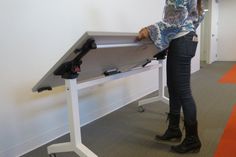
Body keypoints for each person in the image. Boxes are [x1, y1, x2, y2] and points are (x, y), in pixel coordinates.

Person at [137, 0, 205, 154]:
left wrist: (150, 29)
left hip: (182, 41)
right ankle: (174, 129)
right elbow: (198, 17)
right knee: (173, 87)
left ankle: (192, 140)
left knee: (183, 92)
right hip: (183, 39)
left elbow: (176, 19)